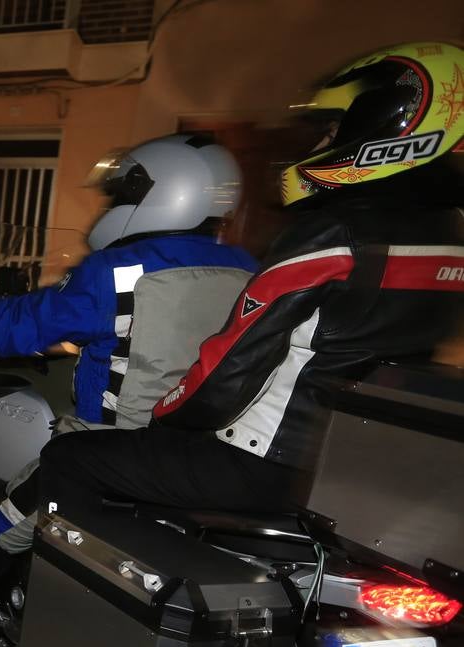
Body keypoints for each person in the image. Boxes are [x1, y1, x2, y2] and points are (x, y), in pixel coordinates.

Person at [37, 42, 464, 538]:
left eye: (331, 130)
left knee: (68, 457)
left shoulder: (334, 232)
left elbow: (231, 365)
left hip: (265, 461)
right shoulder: (450, 233)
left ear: (381, 123)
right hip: (352, 467)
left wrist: (164, 416)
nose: (319, 145)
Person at [0, 134, 260, 647]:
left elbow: (13, 328)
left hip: (111, 451)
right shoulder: (248, 268)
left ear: (161, 194)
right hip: (206, 452)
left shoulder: (120, 270)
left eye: (124, 193)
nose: (113, 207)